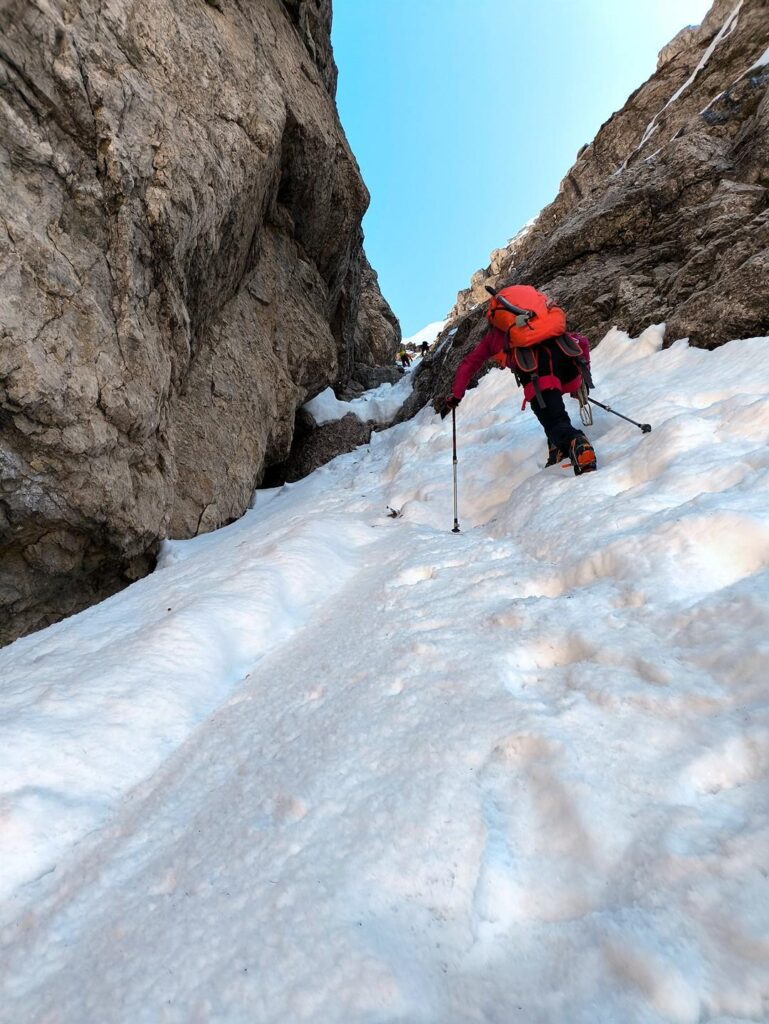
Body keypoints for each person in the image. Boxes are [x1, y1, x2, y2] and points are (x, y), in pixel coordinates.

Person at [436, 289, 597, 475]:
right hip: (567, 364)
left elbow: (468, 365)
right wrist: (582, 381)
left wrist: (456, 396)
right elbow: (582, 342)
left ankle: (578, 446)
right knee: (552, 413)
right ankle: (557, 450)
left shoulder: (496, 337)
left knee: (554, 421)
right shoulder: (541, 324)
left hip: (538, 372)